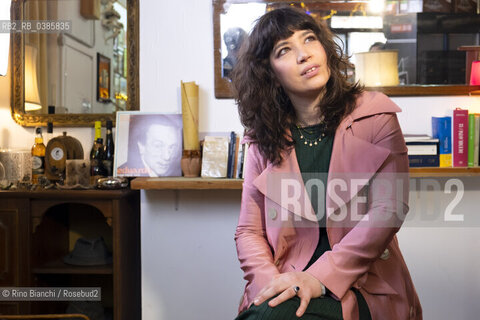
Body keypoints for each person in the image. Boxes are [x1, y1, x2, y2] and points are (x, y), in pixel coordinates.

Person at [231, 8, 422, 320]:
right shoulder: (262, 138)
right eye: (284, 50)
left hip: (361, 281)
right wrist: (271, 283)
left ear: (323, 47)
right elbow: (248, 230)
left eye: (309, 39)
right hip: (286, 278)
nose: (304, 55)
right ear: (270, 73)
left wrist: (318, 278)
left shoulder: (376, 116)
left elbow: (389, 210)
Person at [117, 115, 182, 177]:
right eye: (158, 146)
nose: (167, 157)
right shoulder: (124, 174)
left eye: (172, 147)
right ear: (141, 147)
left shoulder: (176, 172)